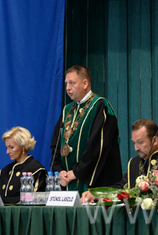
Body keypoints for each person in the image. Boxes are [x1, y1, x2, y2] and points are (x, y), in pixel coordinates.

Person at [81, 118, 158, 202]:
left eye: (140, 142)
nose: (136, 148)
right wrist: (97, 194)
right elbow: (121, 188)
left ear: (155, 140)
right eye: (134, 143)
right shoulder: (134, 163)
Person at [50, 65, 122, 194]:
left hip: (91, 183)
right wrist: (60, 171)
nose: (68, 88)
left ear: (85, 83)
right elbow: (56, 145)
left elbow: (99, 147)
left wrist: (76, 172)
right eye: (66, 83)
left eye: (72, 83)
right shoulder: (67, 110)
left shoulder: (100, 106)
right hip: (67, 182)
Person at [0, 127, 47, 204]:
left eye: (11, 147)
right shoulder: (4, 171)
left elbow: (33, 201)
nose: (7, 152)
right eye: (7, 147)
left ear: (23, 146)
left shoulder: (36, 169)